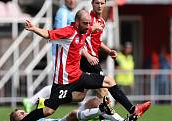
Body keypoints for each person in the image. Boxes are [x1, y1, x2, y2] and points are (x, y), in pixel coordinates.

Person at [22, 10, 151, 121]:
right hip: (64, 80)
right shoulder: (68, 32)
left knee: (109, 82)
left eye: (89, 23)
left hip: (78, 75)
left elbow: (90, 30)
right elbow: (48, 34)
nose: (88, 26)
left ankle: (133, 109)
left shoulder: (85, 29)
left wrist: (95, 28)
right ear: (77, 22)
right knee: (49, 111)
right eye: (85, 23)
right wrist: (34, 28)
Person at [11, 97, 137, 121]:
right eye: (20, 115)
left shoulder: (34, 115)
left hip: (60, 120)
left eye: (22, 111)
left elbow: (44, 103)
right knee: (73, 114)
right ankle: (101, 110)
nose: (24, 113)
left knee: (94, 101)